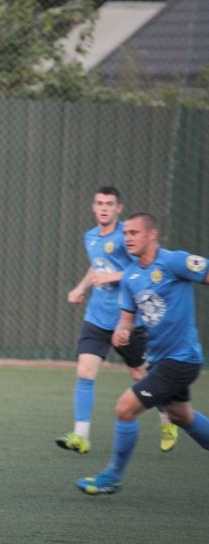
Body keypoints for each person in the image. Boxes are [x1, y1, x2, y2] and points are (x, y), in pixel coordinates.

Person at [77, 213, 209, 495]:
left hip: (181, 359)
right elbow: (126, 319)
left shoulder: (174, 261)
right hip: (161, 361)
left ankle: (112, 477)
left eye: (134, 233)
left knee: (125, 409)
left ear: (152, 235)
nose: (127, 238)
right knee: (180, 416)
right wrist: (121, 331)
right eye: (125, 234)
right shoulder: (131, 276)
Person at [58, 186, 174, 455]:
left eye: (109, 204)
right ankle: (80, 436)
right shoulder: (90, 237)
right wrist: (80, 288)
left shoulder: (126, 236)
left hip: (126, 319)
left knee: (140, 375)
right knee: (84, 372)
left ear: (118, 208)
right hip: (96, 317)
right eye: (100, 203)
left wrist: (111, 277)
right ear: (93, 206)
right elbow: (96, 265)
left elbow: (142, 268)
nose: (104, 208)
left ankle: (167, 418)